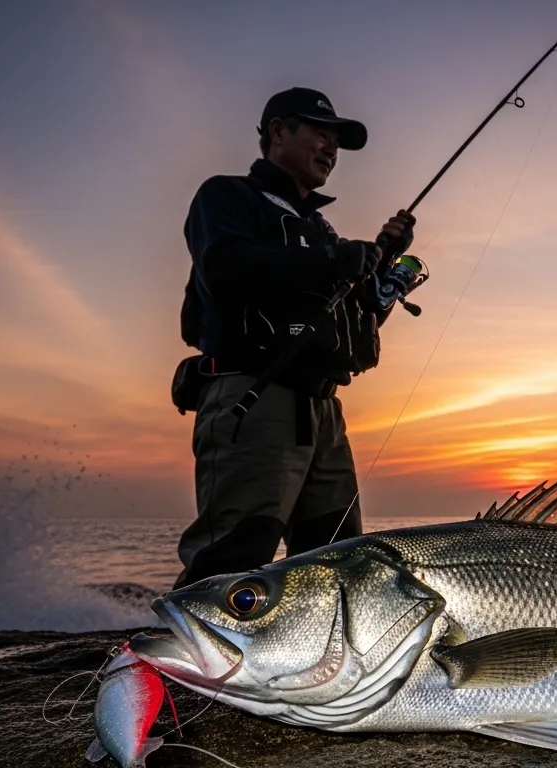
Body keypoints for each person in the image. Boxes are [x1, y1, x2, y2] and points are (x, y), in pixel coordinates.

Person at [170, 86, 415, 589]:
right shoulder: (227, 195)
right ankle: (174, 667)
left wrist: (384, 262)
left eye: (337, 141)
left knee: (337, 567)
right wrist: (337, 259)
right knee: (232, 560)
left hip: (324, 413)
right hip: (253, 397)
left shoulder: (320, 230)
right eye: (320, 133)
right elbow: (224, 267)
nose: (331, 148)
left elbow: (355, 319)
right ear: (277, 132)